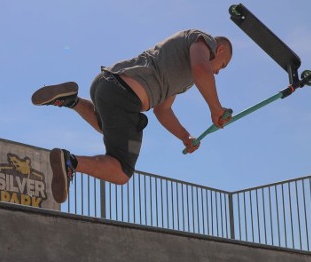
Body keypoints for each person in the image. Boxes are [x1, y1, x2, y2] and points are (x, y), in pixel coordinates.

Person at [32, 29, 233, 204]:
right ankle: (70, 162)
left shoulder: (180, 71)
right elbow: (202, 69)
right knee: (121, 171)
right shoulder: (204, 41)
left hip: (105, 85)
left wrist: (185, 137)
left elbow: (163, 110)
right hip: (125, 96)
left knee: (109, 128)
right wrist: (215, 108)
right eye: (222, 66)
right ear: (220, 50)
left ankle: (71, 100)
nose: (217, 73)